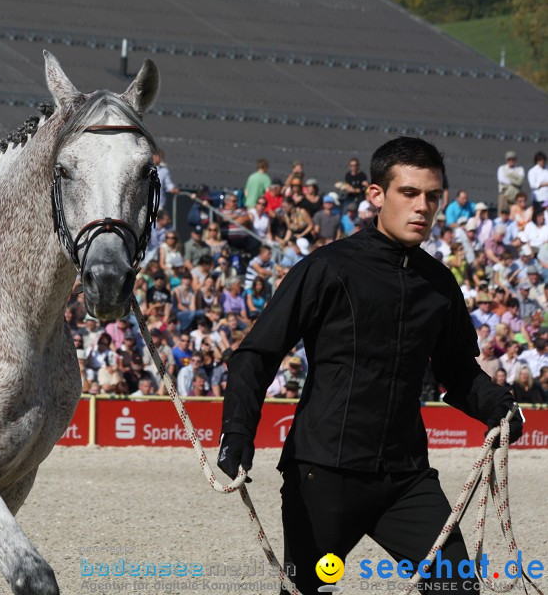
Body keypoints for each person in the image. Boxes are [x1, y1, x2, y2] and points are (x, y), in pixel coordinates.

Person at [217, 137, 522, 595]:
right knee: (309, 591)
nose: (423, 207)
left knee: (457, 589)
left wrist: (498, 406)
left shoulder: (440, 285)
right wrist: (237, 431)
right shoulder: (326, 268)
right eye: (409, 193)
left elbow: (458, 373)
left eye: (433, 196)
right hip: (322, 476)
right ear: (376, 195)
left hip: (407, 479)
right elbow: (257, 354)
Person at [497, 150, 526, 215]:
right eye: (509, 159)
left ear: (515, 160)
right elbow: (501, 180)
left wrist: (508, 176)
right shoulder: (501, 168)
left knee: (515, 214)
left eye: (513, 159)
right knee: (502, 214)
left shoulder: (520, 169)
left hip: (516, 196)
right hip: (504, 195)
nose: (511, 161)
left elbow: (520, 182)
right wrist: (515, 180)